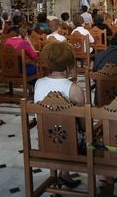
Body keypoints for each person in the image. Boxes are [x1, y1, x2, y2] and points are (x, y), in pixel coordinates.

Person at [33, 42, 84, 188]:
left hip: (44, 138)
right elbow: (83, 122)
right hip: (70, 143)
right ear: (69, 63)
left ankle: (61, 175)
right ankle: (66, 174)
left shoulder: (38, 83)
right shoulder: (74, 89)